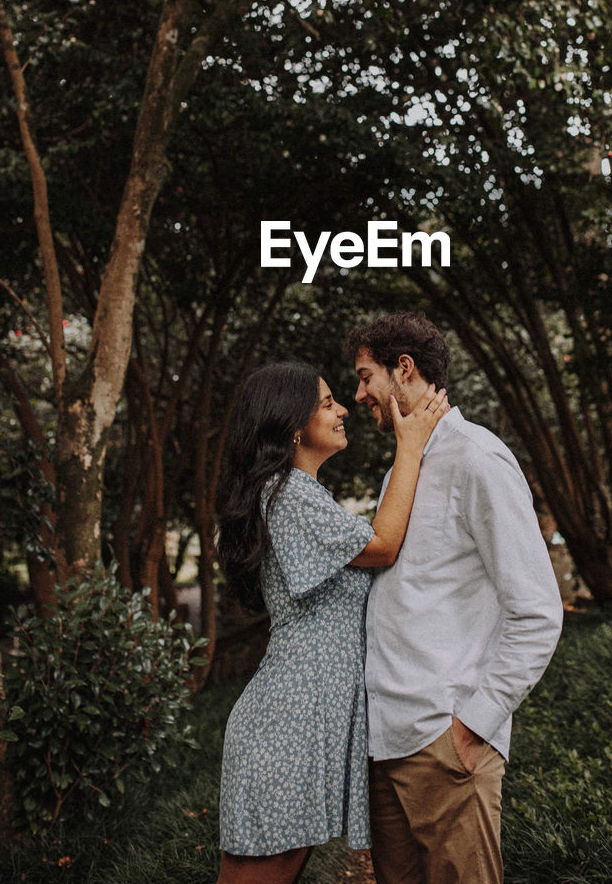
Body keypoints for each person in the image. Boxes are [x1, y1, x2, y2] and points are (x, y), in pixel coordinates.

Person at [345, 311, 564, 884]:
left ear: (405, 369)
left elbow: (537, 610)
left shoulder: (478, 458)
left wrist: (474, 726)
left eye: (366, 376)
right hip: (386, 743)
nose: (359, 392)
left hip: (445, 743)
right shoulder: (404, 466)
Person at [215, 360, 449, 884]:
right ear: (292, 424)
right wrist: (411, 445)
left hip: (298, 721)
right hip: (287, 727)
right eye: (326, 403)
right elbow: (383, 545)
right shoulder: (289, 494)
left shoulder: (300, 494)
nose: (343, 408)